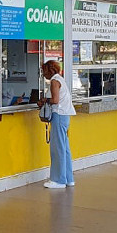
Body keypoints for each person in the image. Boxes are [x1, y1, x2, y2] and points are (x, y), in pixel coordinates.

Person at [37, 60, 75, 189]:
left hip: (58, 116)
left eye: (44, 71)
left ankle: (58, 180)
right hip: (65, 116)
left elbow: (55, 100)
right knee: (64, 148)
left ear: (50, 70)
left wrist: (44, 100)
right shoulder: (60, 79)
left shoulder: (54, 81)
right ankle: (68, 178)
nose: (43, 74)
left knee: (57, 149)